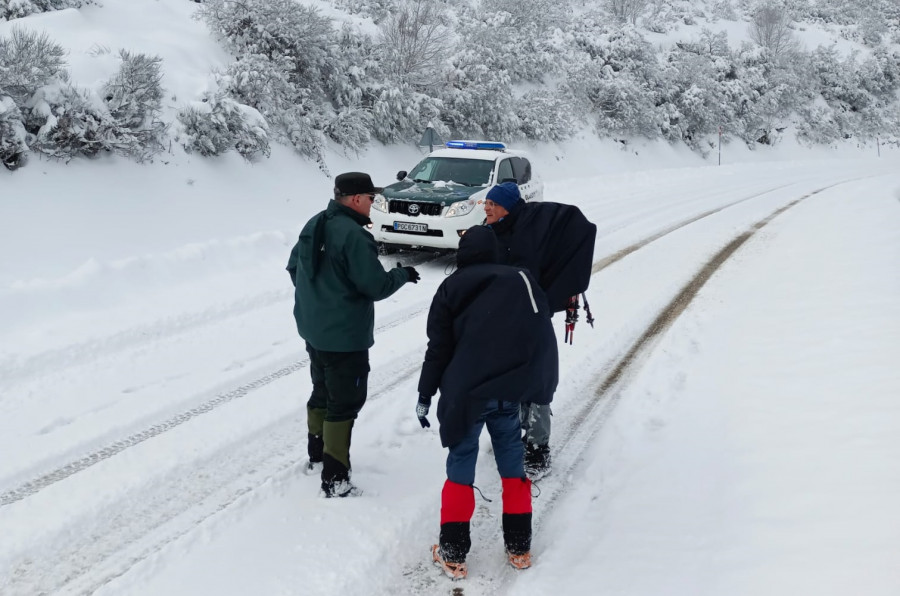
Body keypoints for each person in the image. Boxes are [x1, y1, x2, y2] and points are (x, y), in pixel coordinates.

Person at [415, 225, 558, 579]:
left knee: (461, 462)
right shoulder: (520, 280)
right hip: (507, 389)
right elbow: (540, 330)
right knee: (512, 460)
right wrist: (536, 382)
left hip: (466, 392)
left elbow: (439, 348)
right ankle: (520, 548)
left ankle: (453, 553)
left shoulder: (451, 287)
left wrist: (425, 393)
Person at [287, 171, 420, 498]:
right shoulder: (354, 235)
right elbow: (375, 286)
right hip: (344, 338)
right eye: (371, 199)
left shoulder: (314, 223)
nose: (373, 205)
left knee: (321, 390)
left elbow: (294, 268)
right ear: (356, 199)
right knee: (344, 401)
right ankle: (335, 478)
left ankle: (316, 455)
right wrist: (402, 274)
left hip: (313, 330)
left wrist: (318, 300)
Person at [483, 181, 597, 480]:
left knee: (536, 382)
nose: (486, 208)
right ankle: (512, 434)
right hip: (504, 320)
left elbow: (577, 228)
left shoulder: (526, 234)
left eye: (492, 204)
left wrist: (546, 299)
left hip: (531, 320)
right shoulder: (497, 232)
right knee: (507, 377)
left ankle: (537, 450)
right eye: (486, 203)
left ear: (508, 207)